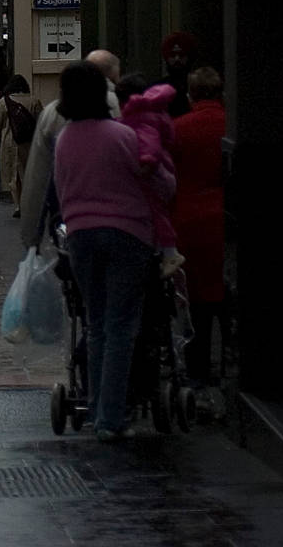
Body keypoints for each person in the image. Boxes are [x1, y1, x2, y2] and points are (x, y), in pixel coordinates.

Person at [54, 60, 173, 441]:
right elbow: (162, 185)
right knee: (122, 325)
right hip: (127, 234)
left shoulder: (65, 141)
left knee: (96, 323)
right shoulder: (122, 136)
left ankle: (95, 406)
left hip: (80, 236)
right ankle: (110, 416)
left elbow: (60, 190)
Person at [20, 50, 122, 249]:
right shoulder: (127, 106)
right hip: (122, 221)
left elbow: (37, 179)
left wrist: (31, 237)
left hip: (72, 219)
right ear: (114, 74)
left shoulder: (53, 114)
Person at [172, 66, 227, 386]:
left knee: (196, 308)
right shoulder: (230, 125)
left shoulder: (179, 128)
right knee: (228, 304)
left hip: (189, 226)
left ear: (190, 95)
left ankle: (198, 377)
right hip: (227, 225)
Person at [117, 74, 182, 275]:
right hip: (164, 172)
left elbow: (149, 149)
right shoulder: (153, 113)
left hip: (155, 176)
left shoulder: (140, 117)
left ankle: (170, 253)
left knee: (156, 213)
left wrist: (141, 168)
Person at [0, 74, 42, 217]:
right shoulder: (34, 101)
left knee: (13, 174)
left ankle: (17, 205)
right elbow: (41, 122)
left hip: (9, 141)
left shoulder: (4, 102)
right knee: (27, 171)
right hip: (29, 141)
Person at [159, 32, 199, 119]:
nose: (177, 59)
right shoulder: (158, 88)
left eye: (181, 55)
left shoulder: (197, 86)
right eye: (173, 55)